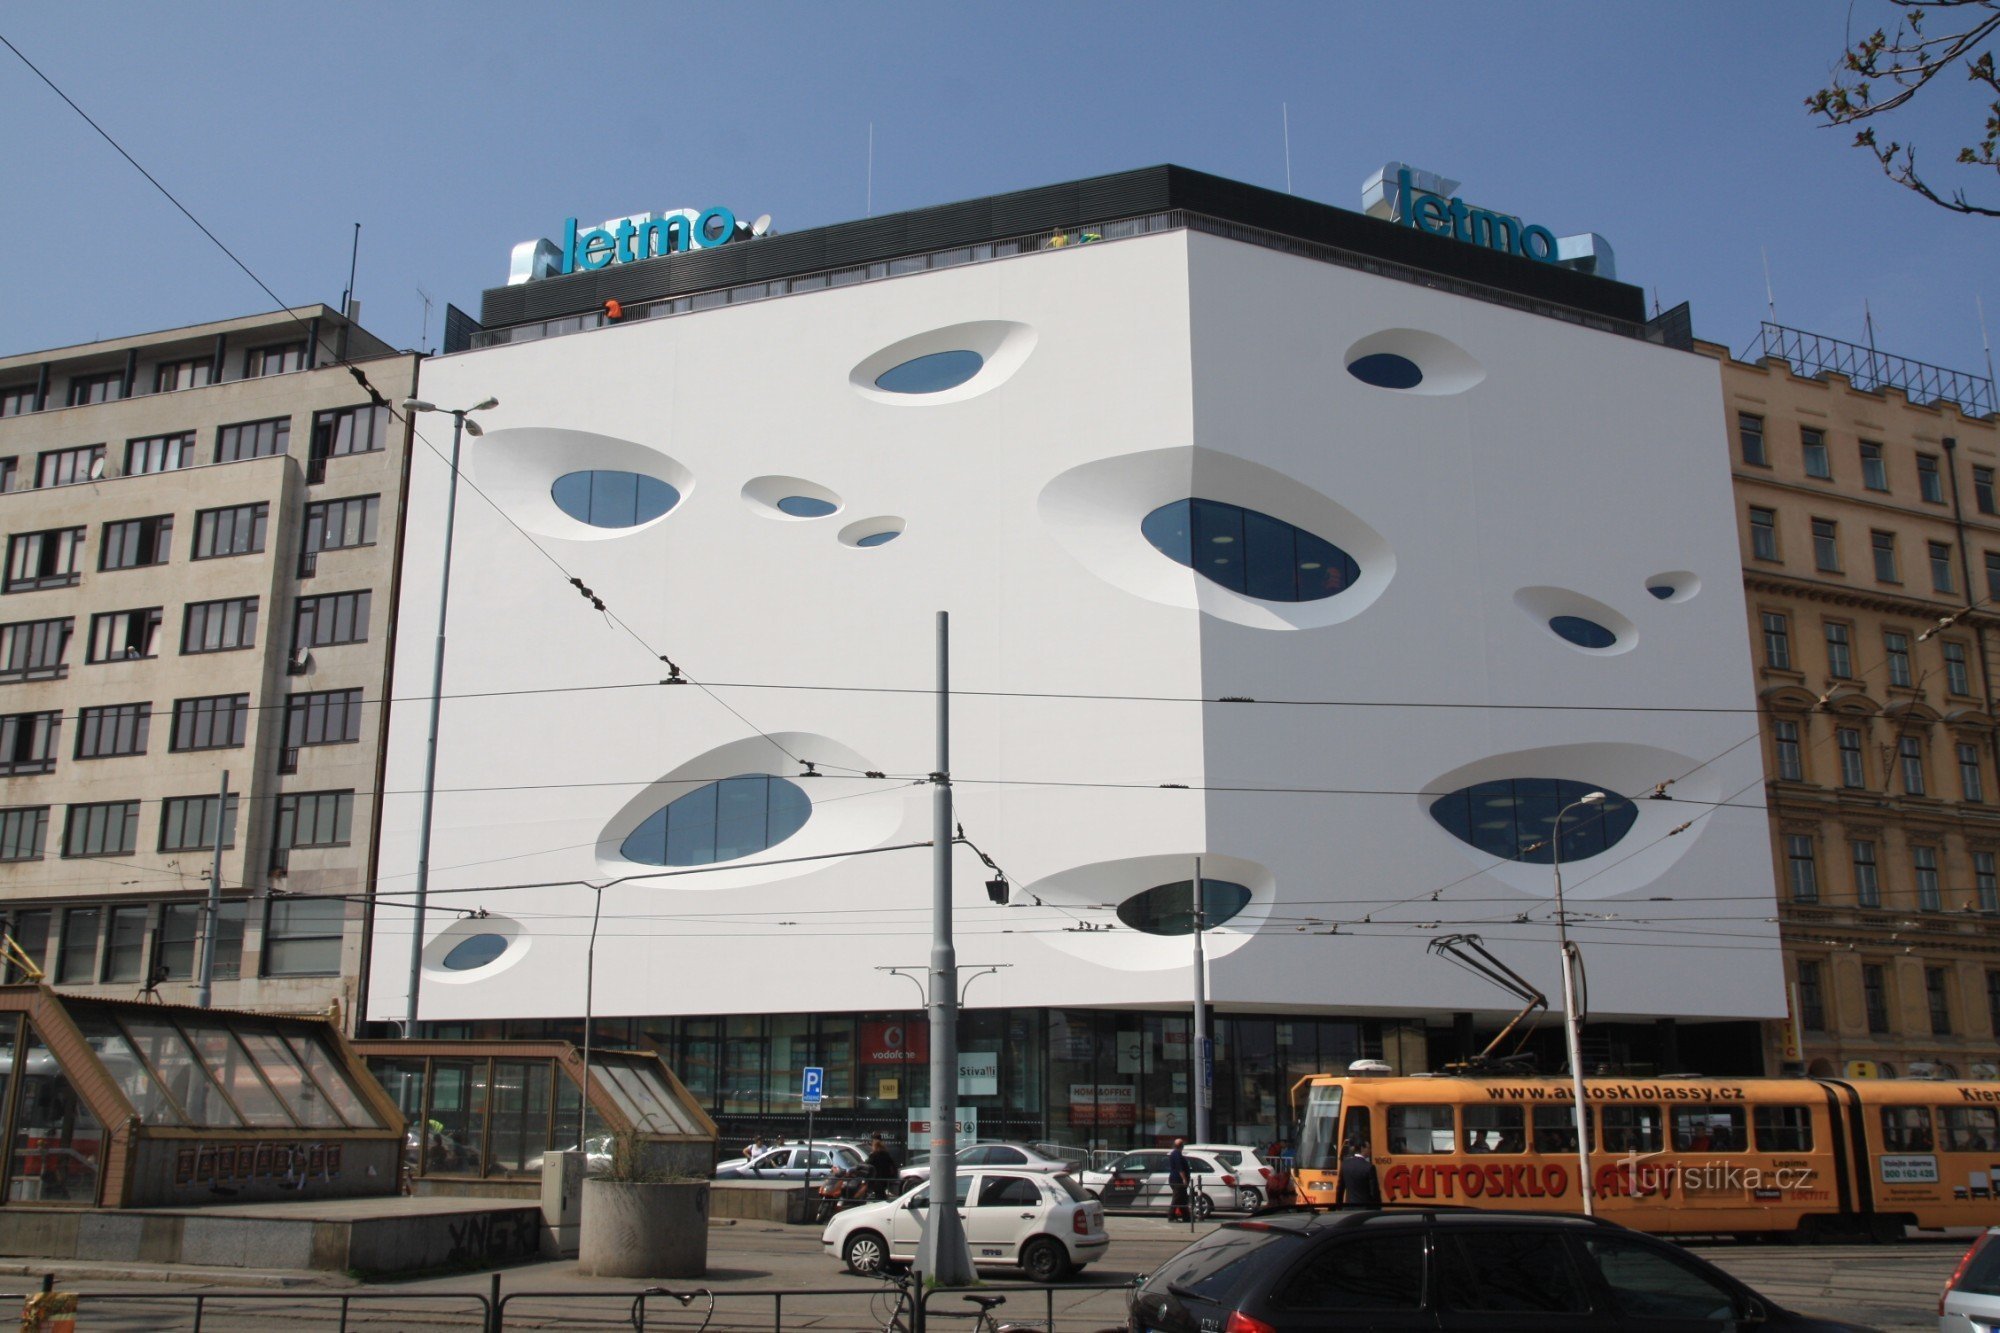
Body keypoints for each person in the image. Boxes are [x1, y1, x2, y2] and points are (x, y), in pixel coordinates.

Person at [1334, 1140, 1380, 1208]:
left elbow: (1340, 1189)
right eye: (1369, 1148)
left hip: (1349, 1208)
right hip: (1365, 1209)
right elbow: (1374, 1192)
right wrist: (1377, 1207)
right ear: (1362, 1148)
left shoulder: (1345, 1165)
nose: (1370, 1150)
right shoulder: (1369, 1167)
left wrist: (1338, 1206)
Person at [865, 1135, 900, 1200]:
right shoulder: (886, 1154)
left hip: (877, 1178)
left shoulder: (874, 1155)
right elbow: (892, 1164)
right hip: (885, 1177)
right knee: (881, 1193)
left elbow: (868, 1163)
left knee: (878, 1193)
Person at [1166, 1138, 1192, 1222]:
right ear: (1181, 1146)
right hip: (1178, 1180)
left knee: (1183, 1199)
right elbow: (1180, 1168)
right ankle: (1171, 1216)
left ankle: (1186, 1217)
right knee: (1177, 1198)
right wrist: (1184, 1179)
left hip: (1176, 1179)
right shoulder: (1176, 1154)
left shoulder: (1175, 1153)